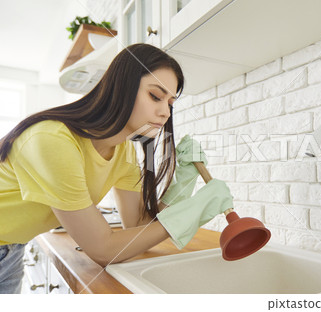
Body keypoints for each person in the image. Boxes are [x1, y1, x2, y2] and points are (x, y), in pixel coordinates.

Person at [0, 44, 234, 294]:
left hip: (13, 248)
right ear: (121, 87)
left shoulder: (123, 151)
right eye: (156, 96)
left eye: (171, 103)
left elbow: (136, 226)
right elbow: (103, 249)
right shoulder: (53, 140)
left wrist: (183, 184)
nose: (165, 112)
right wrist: (192, 212)